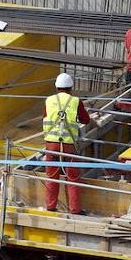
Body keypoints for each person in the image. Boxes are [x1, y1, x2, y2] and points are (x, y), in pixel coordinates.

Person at [42, 73, 93, 215]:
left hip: (51, 145)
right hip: (68, 146)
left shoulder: (48, 100)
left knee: (52, 176)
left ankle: (50, 206)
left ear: (56, 87)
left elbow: (45, 118)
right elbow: (86, 120)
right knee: (73, 177)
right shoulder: (76, 101)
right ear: (71, 87)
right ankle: (75, 209)